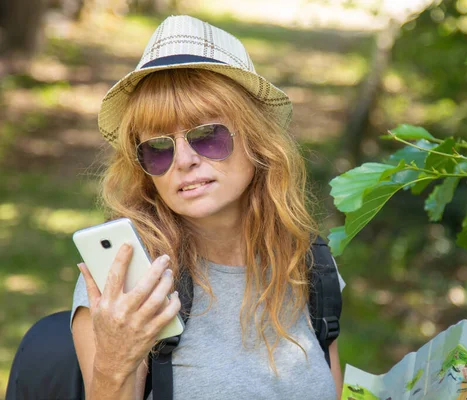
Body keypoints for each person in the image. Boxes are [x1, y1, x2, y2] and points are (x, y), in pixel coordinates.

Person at [70, 14, 345, 400]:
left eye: (207, 137)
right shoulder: (127, 281)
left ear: (257, 139)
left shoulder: (309, 267)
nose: (183, 160)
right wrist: (114, 362)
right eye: (159, 148)